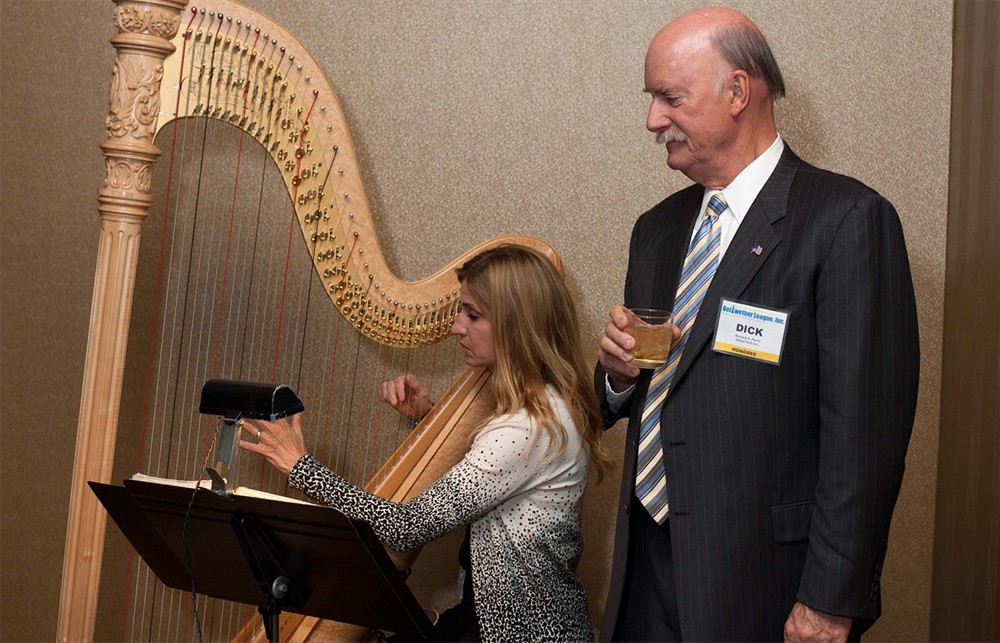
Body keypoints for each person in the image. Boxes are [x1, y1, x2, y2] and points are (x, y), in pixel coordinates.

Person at [595, 7, 919, 642]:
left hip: (763, 584)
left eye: (670, 97)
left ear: (738, 91)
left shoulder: (847, 220)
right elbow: (651, 391)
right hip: (647, 574)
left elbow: (866, 436)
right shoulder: (656, 231)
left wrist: (830, 599)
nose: (653, 120)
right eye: (651, 98)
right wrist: (616, 376)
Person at [242, 244, 610, 642]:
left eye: (473, 315)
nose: (456, 327)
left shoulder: (527, 428)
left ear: (514, 324)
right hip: (501, 619)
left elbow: (406, 528)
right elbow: (492, 479)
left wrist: (302, 467)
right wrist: (428, 416)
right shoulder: (545, 405)